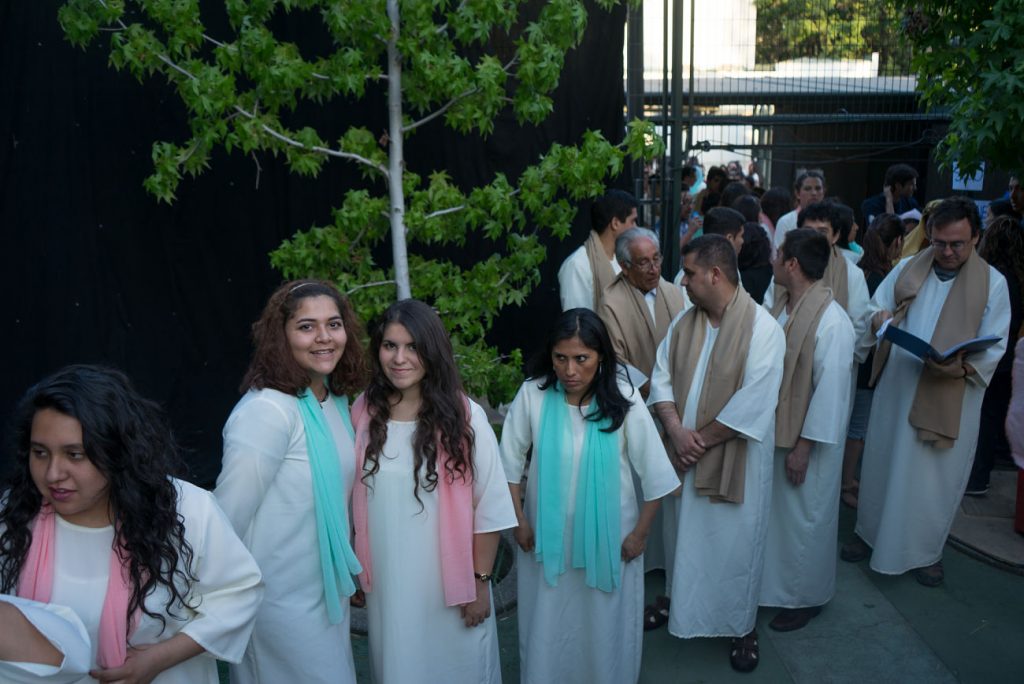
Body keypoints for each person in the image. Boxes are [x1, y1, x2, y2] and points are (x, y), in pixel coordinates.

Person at [0, 365, 263, 684]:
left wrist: (158, 659)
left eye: (75, 455)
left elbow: (237, 593)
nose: (54, 473)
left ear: (116, 451)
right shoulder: (14, 514)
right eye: (40, 453)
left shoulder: (185, 510)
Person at [500, 308, 680, 684]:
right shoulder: (534, 394)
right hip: (546, 542)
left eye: (581, 359)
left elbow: (657, 476)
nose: (570, 370)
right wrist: (519, 521)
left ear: (601, 357)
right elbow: (508, 464)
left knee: (602, 621)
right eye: (561, 358)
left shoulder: (623, 398)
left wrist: (640, 534)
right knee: (547, 620)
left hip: (611, 541)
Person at [842, 197, 1011, 587]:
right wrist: (879, 319)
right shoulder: (905, 269)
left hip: (953, 394)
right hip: (898, 387)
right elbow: (872, 309)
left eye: (957, 244)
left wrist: (963, 364)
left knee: (933, 478)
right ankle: (869, 535)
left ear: (976, 238)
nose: (947, 252)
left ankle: (925, 552)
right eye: (939, 243)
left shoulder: (994, 284)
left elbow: (996, 344)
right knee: (884, 464)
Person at [350, 299, 516, 683]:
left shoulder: (465, 417)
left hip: (449, 586)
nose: (399, 358)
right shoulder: (363, 412)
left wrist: (478, 583)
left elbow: (489, 506)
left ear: (433, 351)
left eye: (413, 347)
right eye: (390, 346)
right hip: (389, 587)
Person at [214, 279, 368, 683]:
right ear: (280, 337)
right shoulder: (267, 411)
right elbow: (227, 516)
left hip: (324, 592)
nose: (324, 337)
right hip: (277, 601)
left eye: (333, 324)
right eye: (306, 327)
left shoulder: (332, 400)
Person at [649, 235, 786, 673]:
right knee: (681, 539)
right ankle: (678, 601)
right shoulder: (683, 323)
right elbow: (662, 378)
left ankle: (742, 626)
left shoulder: (764, 329)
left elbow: (754, 403)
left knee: (735, 546)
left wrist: (695, 441)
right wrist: (674, 430)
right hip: (685, 455)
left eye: (688, 274)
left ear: (715, 274)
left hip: (735, 465)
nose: (682, 282)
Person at [759, 229, 854, 632]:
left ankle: (805, 597)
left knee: (806, 519)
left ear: (792, 264)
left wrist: (803, 447)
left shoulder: (833, 322)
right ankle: (775, 587)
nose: (774, 260)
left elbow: (830, 394)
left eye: (779, 254)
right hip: (780, 431)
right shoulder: (783, 304)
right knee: (782, 519)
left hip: (807, 442)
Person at [841, 214, 904, 508]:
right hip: (868, 361)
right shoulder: (884, 277)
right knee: (858, 429)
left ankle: (845, 479)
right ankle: (845, 483)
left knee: (852, 423)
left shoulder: (858, 268)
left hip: (856, 359)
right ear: (895, 244)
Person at [765, 201, 872, 367]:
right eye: (808, 232)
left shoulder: (851, 274)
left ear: (835, 236)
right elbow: (768, 314)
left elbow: (860, 327)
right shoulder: (784, 270)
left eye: (822, 232)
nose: (813, 238)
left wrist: (823, 350)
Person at [965, 216, 1024, 495]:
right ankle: (982, 473)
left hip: (995, 356)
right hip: (1011, 358)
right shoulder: (1019, 277)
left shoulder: (994, 279)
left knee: (984, 418)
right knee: (993, 416)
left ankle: (976, 477)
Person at [598, 227, 689, 391]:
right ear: (624, 267)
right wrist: (654, 390)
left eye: (656, 259)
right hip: (636, 398)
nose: (654, 270)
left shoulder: (673, 292)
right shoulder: (611, 303)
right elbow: (615, 360)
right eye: (643, 262)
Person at [558, 190, 638, 311]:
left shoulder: (626, 259)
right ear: (615, 223)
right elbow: (579, 323)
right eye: (632, 221)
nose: (636, 228)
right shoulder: (577, 265)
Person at [772, 170, 826, 250]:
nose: (814, 193)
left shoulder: (830, 220)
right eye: (808, 189)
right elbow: (778, 254)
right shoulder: (786, 221)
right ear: (797, 193)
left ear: (824, 192)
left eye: (818, 188)